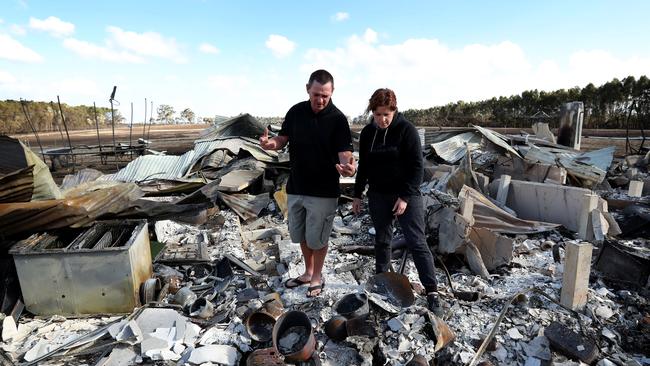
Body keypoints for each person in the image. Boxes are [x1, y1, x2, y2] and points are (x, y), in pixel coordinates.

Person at [260, 69, 356, 297]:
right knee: (301, 234)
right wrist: (269, 144)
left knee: (318, 238)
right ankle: (308, 271)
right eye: (316, 94)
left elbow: (345, 154)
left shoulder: (338, 119)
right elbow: (282, 139)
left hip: (323, 192)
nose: (320, 100)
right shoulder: (295, 112)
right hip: (297, 186)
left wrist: (349, 167)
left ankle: (316, 276)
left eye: (325, 95)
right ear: (307, 89)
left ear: (332, 92)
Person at [352, 88, 441, 314]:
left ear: (394, 111)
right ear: (372, 112)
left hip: (406, 196)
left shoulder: (407, 130)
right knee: (382, 241)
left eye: (386, 115)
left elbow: (417, 168)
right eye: (378, 114)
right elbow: (364, 167)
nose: (382, 120)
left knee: (417, 242)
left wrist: (404, 197)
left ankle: (432, 291)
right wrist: (357, 194)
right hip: (378, 195)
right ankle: (383, 286)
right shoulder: (367, 134)